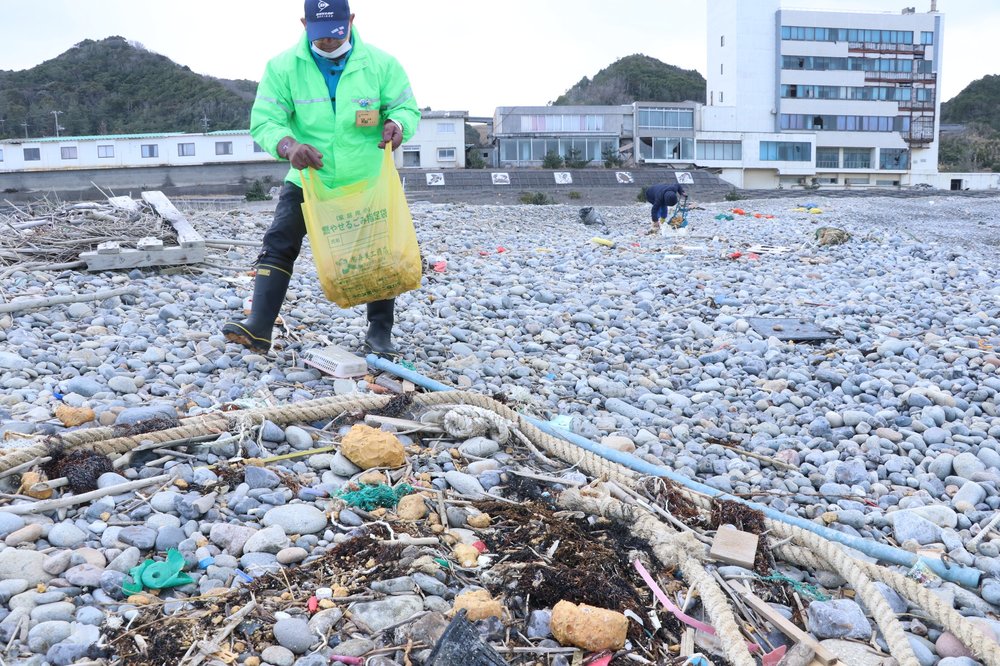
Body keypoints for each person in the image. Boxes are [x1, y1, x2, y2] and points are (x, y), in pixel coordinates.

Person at [222, 0, 420, 357]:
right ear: (304, 24)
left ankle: (379, 334)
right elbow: (265, 121)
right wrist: (288, 146)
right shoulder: (283, 67)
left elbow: (405, 107)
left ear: (351, 21)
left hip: (367, 179)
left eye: (335, 33)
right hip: (309, 177)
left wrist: (398, 124)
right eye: (320, 34)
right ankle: (260, 326)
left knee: (379, 252)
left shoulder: (381, 64)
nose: (328, 41)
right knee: (279, 240)